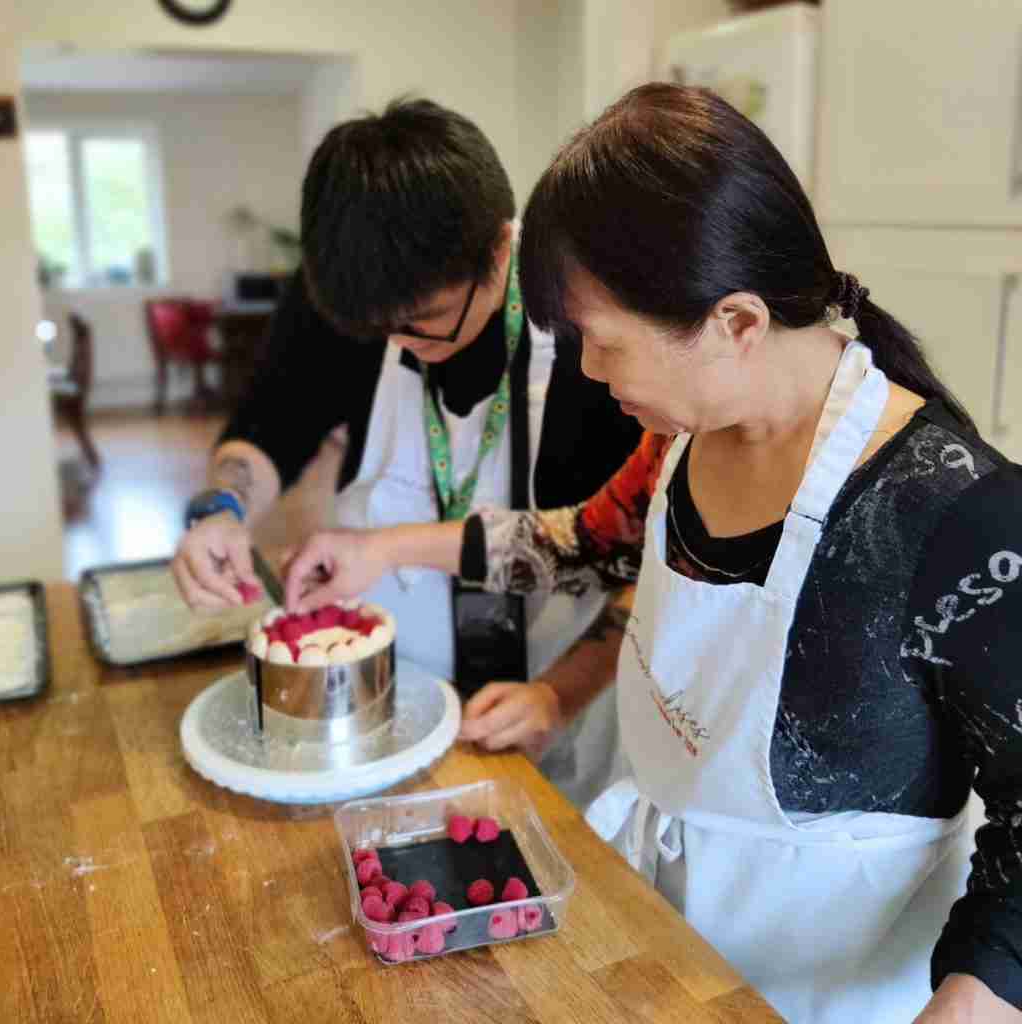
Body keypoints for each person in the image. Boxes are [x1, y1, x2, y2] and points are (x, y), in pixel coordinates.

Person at [280, 85, 1022, 1022]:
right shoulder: (682, 438)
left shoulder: (956, 514)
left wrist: (975, 999)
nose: (586, 372)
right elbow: (579, 545)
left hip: (831, 997)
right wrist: (378, 550)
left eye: (600, 343)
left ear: (737, 323)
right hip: (661, 955)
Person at [172, 98, 641, 810]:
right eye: (378, 327)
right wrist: (222, 510)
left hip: (556, 688)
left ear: (500, 250)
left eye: (423, 322)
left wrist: (559, 693)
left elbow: (633, 555)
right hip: (383, 686)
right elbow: (271, 425)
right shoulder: (351, 294)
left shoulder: (593, 338)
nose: (399, 342)